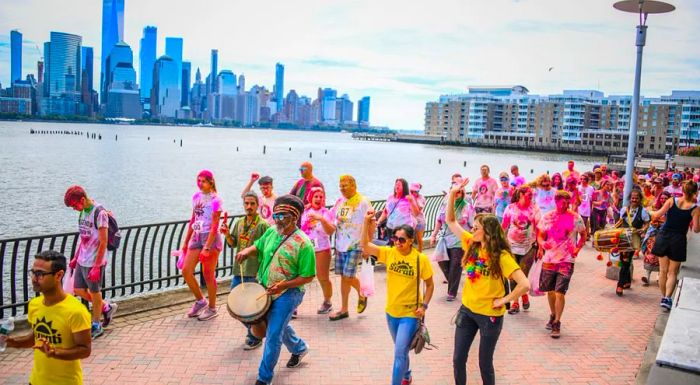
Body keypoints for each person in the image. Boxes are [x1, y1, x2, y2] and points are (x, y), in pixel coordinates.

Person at [444, 179, 530, 385]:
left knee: (484, 363)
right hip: (467, 310)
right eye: (472, 227)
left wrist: (504, 301)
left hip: (490, 315)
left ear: (488, 232)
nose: (472, 230)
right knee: (458, 359)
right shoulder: (471, 244)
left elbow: (525, 284)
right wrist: (452, 194)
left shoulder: (501, 256)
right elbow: (451, 221)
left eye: (476, 228)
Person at [235, 195, 315, 385]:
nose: (277, 219)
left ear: (294, 217)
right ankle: (300, 348)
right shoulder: (272, 231)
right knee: (278, 325)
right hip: (265, 287)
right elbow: (258, 245)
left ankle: (264, 378)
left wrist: (284, 285)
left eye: (282, 216)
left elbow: (308, 277)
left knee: (273, 334)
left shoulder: (304, 244)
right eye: (275, 215)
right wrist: (246, 251)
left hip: (289, 293)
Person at [360, 213, 434, 385]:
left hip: (410, 313)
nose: (397, 243)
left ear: (410, 241)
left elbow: (430, 285)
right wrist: (365, 222)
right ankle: (407, 374)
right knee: (401, 350)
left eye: (402, 240)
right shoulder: (390, 253)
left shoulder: (420, 259)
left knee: (399, 352)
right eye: (395, 238)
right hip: (391, 312)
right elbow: (365, 245)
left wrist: (424, 306)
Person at [3, 250, 92, 384]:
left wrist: (55, 352)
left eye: (40, 274)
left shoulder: (76, 311)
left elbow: (85, 350)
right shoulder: (34, 305)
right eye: (33, 272)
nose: (34, 278)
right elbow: (34, 339)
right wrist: (9, 342)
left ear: (59, 275)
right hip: (36, 380)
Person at [63, 185, 118, 339]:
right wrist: (75, 257)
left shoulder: (99, 213)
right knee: (78, 289)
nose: (74, 208)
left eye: (74, 205)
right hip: (83, 259)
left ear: (82, 199)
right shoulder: (82, 212)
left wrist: (97, 266)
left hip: (95, 261)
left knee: (95, 292)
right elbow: (84, 237)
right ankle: (106, 307)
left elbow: (103, 241)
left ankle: (96, 324)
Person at [221, 191, 270, 350]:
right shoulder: (240, 222)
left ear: (257, 205)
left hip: (255, 272)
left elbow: (266, 250)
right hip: (239, 271)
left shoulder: (263, 225)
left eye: (252, 204)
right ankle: (257, 332)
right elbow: (233, 243)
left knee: (253, 308)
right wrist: (227, 234)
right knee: (235, 305)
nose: (249, 206)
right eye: (246, 203)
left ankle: (254, 336)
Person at [537, 190, 587, 338]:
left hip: (566, 260)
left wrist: (577, 249)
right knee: (550, 291)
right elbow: (540, 235)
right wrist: (542, 243)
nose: (566, 205)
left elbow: (584, 234)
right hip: (550, 259)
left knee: (560, 292)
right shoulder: (548, 217)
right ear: (556, 201)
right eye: (563, 202)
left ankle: (557, 322)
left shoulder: (575, 218)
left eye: (568, 202)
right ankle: (552, 314)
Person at [180, 170, 224, 321]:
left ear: (211, 182)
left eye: (203, 181)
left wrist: (207, 247)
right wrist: (186, 242)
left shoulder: (216, 200)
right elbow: (193, 219)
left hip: (210, 238)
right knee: (186, 270)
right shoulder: (196, 197)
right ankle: (200, 301)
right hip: (197, 235)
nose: (200, 183)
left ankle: (212, 308)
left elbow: (215, 225)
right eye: (198, 180)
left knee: (208, 274)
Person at [649, 181, 700, 310]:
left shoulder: (671, 201)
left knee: (663, 271)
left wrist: (649, 211)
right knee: (673, 272)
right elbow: (696, 229)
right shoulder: (695, 209)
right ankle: (667, 298)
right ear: (695, 192)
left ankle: (664, 298)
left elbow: (657, 214)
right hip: (678, 239)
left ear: (682, 190)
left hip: (664, 236)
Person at [329, 175, 372, 321]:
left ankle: (362, 292)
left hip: (356, 244)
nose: (342, 188)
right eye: (340, 185)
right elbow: (333, 218)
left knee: (348, 276)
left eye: (345, 185)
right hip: (340, 244)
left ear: (354, 185)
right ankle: (344, 309)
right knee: (343, 277)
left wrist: (368, 245)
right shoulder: (340, 201)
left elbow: (372, 223)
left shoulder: (363, 202)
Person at [430, 180, 474, 301]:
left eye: (459, 192)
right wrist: (433, 235)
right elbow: (439, 220)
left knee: (455, 265)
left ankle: (451, 292)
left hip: (459, 241)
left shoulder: (467, 206)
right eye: (455, 192)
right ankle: (453, 282)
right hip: (445, 239)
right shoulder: (445, 205)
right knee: (442, 262)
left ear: (462, 193)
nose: (457, 194)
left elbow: (472, 225)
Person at [501, 186, 541, 314]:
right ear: (521, 195)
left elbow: (539, 229)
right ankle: (517, 301)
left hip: (529, 247)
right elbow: (504, 225)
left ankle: (520, 298)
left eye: (532, 194)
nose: (531, 197)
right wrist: (499, 243)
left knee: (522, 274)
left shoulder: (535, 208)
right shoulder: (511, 208)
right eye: (529, 194)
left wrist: (540, 247)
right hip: (512, 246)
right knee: (512, 275)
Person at [300, 187, 336, 314]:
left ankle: (327, 302)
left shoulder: (326, 213)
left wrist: (321, 218)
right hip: (306, 248)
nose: (319, 199)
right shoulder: (305, 211)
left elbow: (331, 231)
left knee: (323, 277)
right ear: (311, 198)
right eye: (316, 196)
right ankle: (294, 305)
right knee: (300, 276)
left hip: (322, 248)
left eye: (321, 197)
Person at [614, 190, 650, 296]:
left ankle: (620, 285)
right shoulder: (624, 209)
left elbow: (647, 223)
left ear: (640, 199)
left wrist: (643, 230)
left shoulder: (643, 211)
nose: (634, 200)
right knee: (625, 260)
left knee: (625, 261)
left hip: (634, 240)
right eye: (632, 198)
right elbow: (620, 222)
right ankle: (627, 281)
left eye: (636, 198)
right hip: (623, 238)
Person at [409, 183, 427, 252]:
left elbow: (418, 209)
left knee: (419, 239)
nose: (413, 193)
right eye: (411, 191)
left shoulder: (421, 198)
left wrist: (413, 200)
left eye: (415, 191)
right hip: (409, 221)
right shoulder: (407, 197)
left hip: (419, 220)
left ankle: (420, 252)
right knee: (409, 238)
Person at [578, 174, 594, 239]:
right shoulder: (578, 187)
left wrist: (591, 208)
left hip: (586, 208)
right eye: (581, 179)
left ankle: (584, 237)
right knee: (579, 224)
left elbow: (592, 199)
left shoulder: (590, 188)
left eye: (584, 179)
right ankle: (584, 236)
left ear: (587, 180)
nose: (582, 180)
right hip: (579, 208)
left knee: (584, 223)